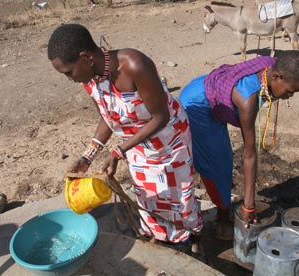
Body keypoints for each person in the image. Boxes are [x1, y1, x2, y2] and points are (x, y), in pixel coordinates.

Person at [47, 24, 203, 244]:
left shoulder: (134, 65)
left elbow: (161, 117)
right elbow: (108, 117)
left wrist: (119, 151)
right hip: (136, 145)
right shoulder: (91, 79)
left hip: (169, 143)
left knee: (176, 198)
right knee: (149, 196)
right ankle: (159, 237)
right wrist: (87, 158)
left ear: (85, 58)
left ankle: (188, 240)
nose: (69, 79)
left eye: (68, 72)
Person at [179, 51, 299, 240]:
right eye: (290, 90)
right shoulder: (248, 100)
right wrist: (249, 205)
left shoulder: (272, 65)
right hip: (197, 105)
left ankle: (220, 205)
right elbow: (250, 153)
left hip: (210, 94)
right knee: (217, 164)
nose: (290, 96)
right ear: (276, 77)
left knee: (223, 157)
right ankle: (221, 222)